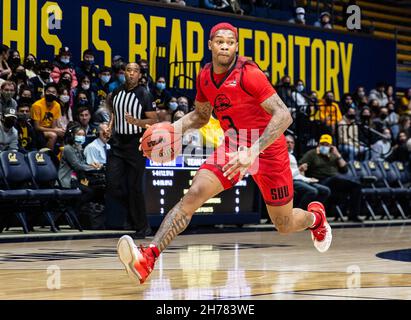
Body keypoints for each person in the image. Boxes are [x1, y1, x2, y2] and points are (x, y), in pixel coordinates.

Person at [117, 23, 332, 285]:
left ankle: (315, 218)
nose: (225, 46)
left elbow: (284, 115)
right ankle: (148, 258)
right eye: (220, 41)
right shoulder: (205, 76)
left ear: (237, 47)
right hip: (233, 144)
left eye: (230, 42)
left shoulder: (249, 73)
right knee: (194, 194)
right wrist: (172, 129)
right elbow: (201, 115)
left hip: (268, 148)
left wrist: (254, 150)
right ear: (210, 44)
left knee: (284, 224)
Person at [105, 62, 157, 238]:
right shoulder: (117, 92)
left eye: (135, 71)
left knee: (135, 187)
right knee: (112, 182)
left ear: (139, 74)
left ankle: (143, 227)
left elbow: (153, 120)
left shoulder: (144, 94)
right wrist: (109, 127)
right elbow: (113, 112)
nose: (131, 74)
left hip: (136, 144)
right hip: (118, 142)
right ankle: (128, 216)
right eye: (129, 70)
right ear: (123, 73)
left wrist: (137, 122)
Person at [299, 134, 363, 223]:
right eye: (322, 144)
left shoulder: (334, 155)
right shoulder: (311, 154)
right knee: (335, 179)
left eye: (327, 145)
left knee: (356, 186)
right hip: (320, 181)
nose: (324, 146)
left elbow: (345, 169)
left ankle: (353, 215)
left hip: (335, 181)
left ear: (331, 146)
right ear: (319, 144)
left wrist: (338, 155)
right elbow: (301, 166)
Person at [286, 135, 330, 209]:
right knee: (313, 191)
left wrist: (308, 179)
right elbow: (287, 175)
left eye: (292, 142)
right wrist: (299, 170)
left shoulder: (292, 156)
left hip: (299, 180)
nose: (290, 144)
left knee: (325, 190)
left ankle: (314, 211)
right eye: (287, 142)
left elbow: (297, 175)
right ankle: (298, 213)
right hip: (290, 181)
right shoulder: (282, 157)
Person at [31, 83, 65, 150]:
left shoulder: (57, 105)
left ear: (57, 95)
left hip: (49, 129)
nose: (50, 94)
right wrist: (55, 130)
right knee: (53, 135)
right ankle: (48, 156)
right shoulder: (37, 105)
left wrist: (59, 130)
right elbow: (37, 127)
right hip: (38, 131)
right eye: (48, 91)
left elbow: (53, 125)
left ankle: (61, 156)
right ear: (44, 93)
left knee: (64, 133)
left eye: (53, 92)